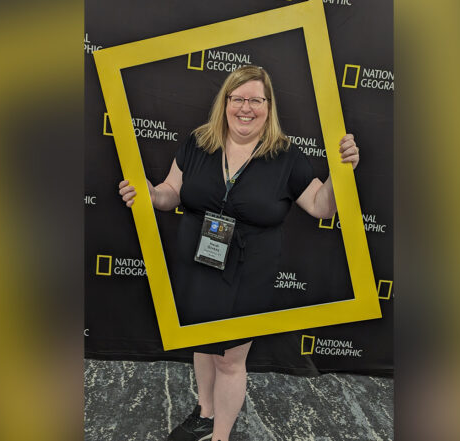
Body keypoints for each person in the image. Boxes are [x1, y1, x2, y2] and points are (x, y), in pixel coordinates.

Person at [118, 65, 359, 441]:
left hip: (249, 273)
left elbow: (321, 206)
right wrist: (150, 194)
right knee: (203, 342)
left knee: (230, 360)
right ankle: (205, 415)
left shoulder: (285, 155)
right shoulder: (199, 142)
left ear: (268, 105)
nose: (246, 108)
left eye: (255, 100)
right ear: (225, 102)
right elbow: (170, 192)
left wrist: (341, 173)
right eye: (238, 99)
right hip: (198, 262)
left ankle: (220, 436)